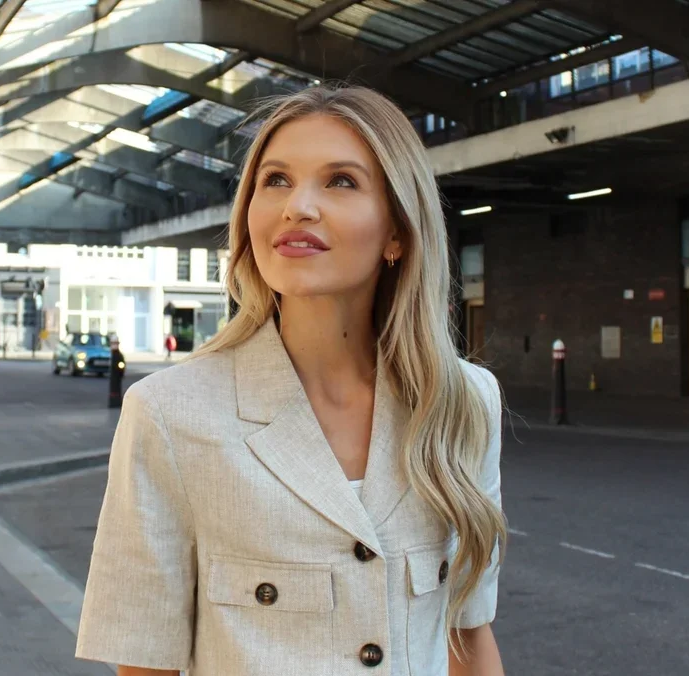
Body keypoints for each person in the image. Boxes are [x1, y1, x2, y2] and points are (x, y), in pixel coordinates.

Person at [76, 86, 507, 676]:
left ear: (398, 233)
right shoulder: (170, 413)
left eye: (341, 181)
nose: (297, 206)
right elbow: (144, 665)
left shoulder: (464, 403)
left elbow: (469, 636)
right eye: (276, 179)